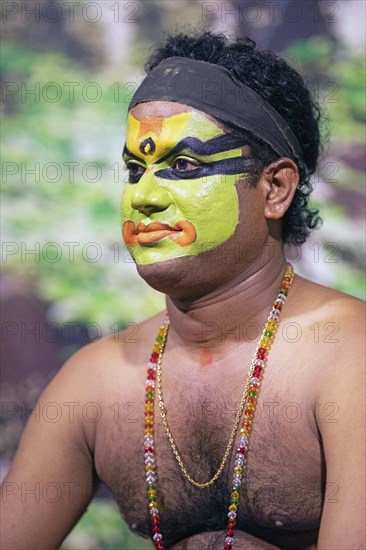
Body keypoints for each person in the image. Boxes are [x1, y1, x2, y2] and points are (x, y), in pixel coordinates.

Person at [1, 32, 365, 550]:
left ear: (274, 189)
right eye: (135, 170)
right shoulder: (97, 380)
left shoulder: (350, 355)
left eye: (185, 167)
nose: (144, 198)